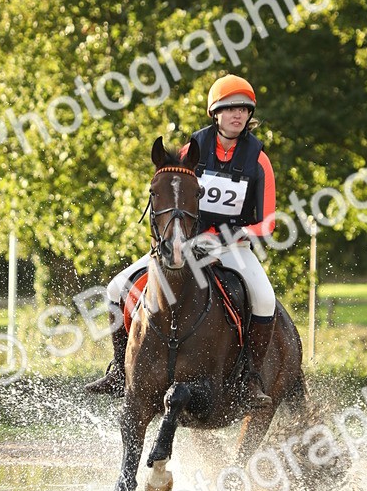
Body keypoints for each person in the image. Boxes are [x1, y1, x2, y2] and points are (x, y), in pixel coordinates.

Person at [85, 73, 278, 407]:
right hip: (183, 245)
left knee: (264, 300)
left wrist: (231, 235)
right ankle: (120, 369)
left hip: (233, 249)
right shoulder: (192, 151)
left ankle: (251, 380)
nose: (237, 115)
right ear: (215, 113)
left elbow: (268, 222)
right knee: (117, 289)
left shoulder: (258, 160)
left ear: (249, 116)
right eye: (229, 108)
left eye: (244, 110)